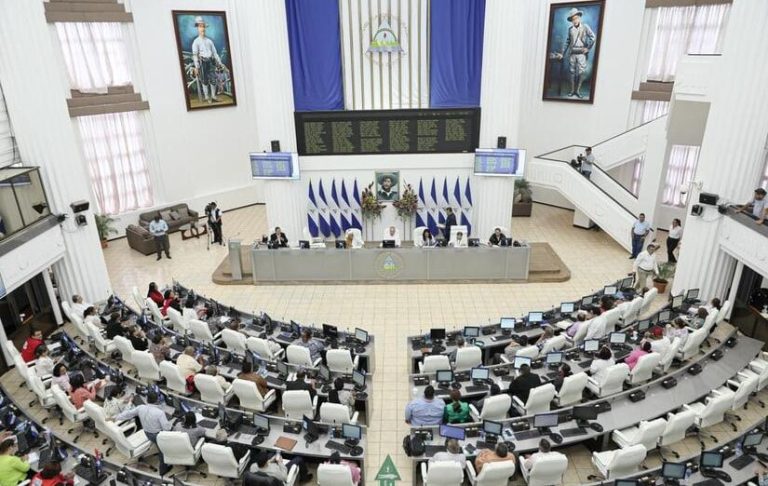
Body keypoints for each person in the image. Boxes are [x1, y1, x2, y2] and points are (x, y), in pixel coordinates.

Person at [115, 391, 172, 475]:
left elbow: (128, 414)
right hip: (157, 436)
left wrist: (116, 417)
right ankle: (163, 470)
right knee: (163, 450)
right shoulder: (160, 413)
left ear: (147, 399)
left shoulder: (140, 407)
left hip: (146, 433)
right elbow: (166, 428)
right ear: (157, 400)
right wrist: (171, 424)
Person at [553, 7, 596, 99]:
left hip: (581, 53)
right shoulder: (570, 29)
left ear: (579, 17)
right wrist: (562, 53)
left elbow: (593, 37)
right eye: (573, 19)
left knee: (581, 71)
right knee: (572, 72)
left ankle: (578, 91)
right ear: (571, 21)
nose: (575, 20)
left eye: (576, 18)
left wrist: (588, 48)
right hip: (572, 53)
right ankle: (572, 90)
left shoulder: (585, 27)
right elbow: (567, 42)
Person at [191, 16, 223, 104]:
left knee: (213, 80)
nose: (202, 28)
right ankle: (206, 97)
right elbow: (195, 55)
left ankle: (213, 96)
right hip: (202, 62)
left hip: (210, 61)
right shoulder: (196, 42)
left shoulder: (209, 41)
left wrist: (219, 62)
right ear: (197, 28)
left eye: (203, 26)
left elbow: (215, 52)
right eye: (200, 26)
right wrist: (196, 67)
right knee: (204, 81)